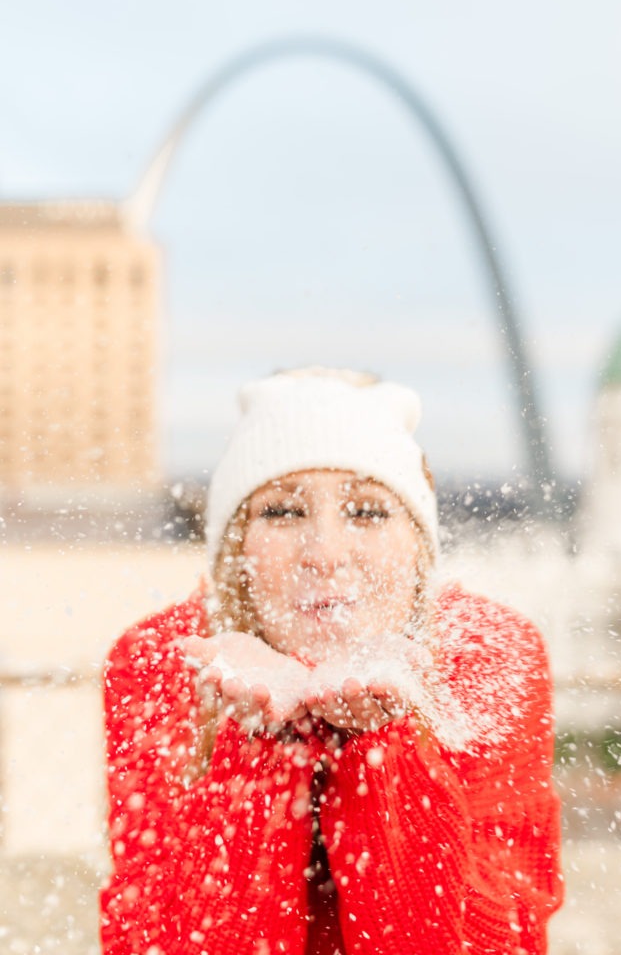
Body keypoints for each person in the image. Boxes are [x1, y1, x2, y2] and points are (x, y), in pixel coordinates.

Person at [100, 368, 563, 955]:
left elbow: (497, 944)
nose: (324, 554)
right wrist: (257, 743)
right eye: (282, 513)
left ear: (418, 547)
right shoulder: (165, 659)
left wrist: (383, 747)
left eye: (368, 512)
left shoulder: (487, 654)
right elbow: (156, 942)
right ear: (234, 547)